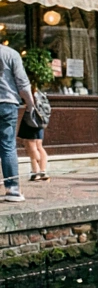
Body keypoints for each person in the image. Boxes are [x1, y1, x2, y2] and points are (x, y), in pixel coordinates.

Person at [1, 44, 37, 200]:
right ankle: (13, 189)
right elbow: (22, 83)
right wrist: (30, 105)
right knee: (8, 146)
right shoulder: (10, 54)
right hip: (7, 103)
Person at [18, 87, 49, 183]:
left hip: (30, 119)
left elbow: (25, 104)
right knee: (38, 146)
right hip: (39, 120)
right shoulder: (40, 91)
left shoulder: (28, 89)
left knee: (31, 146)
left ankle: (37, 171)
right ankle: (41, 171)